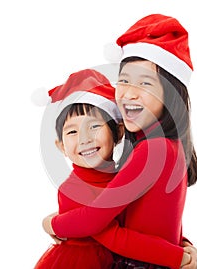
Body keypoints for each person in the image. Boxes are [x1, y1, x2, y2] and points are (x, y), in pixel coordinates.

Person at [42, 14, 197, 269]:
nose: (129, 92)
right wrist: (181, 245)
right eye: (124, 80)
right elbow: (162, 218)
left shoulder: (153, 149)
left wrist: (51, 223)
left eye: (145, 83)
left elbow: (97, 223)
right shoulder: (169, 145)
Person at [34, 69, 124, 269]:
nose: (84, 138)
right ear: (62, 147)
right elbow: (113, 237)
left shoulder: (126, 176)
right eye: (73, 131)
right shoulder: (72, 189)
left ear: (118, 131)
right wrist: (175, 255)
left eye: (94, 126)